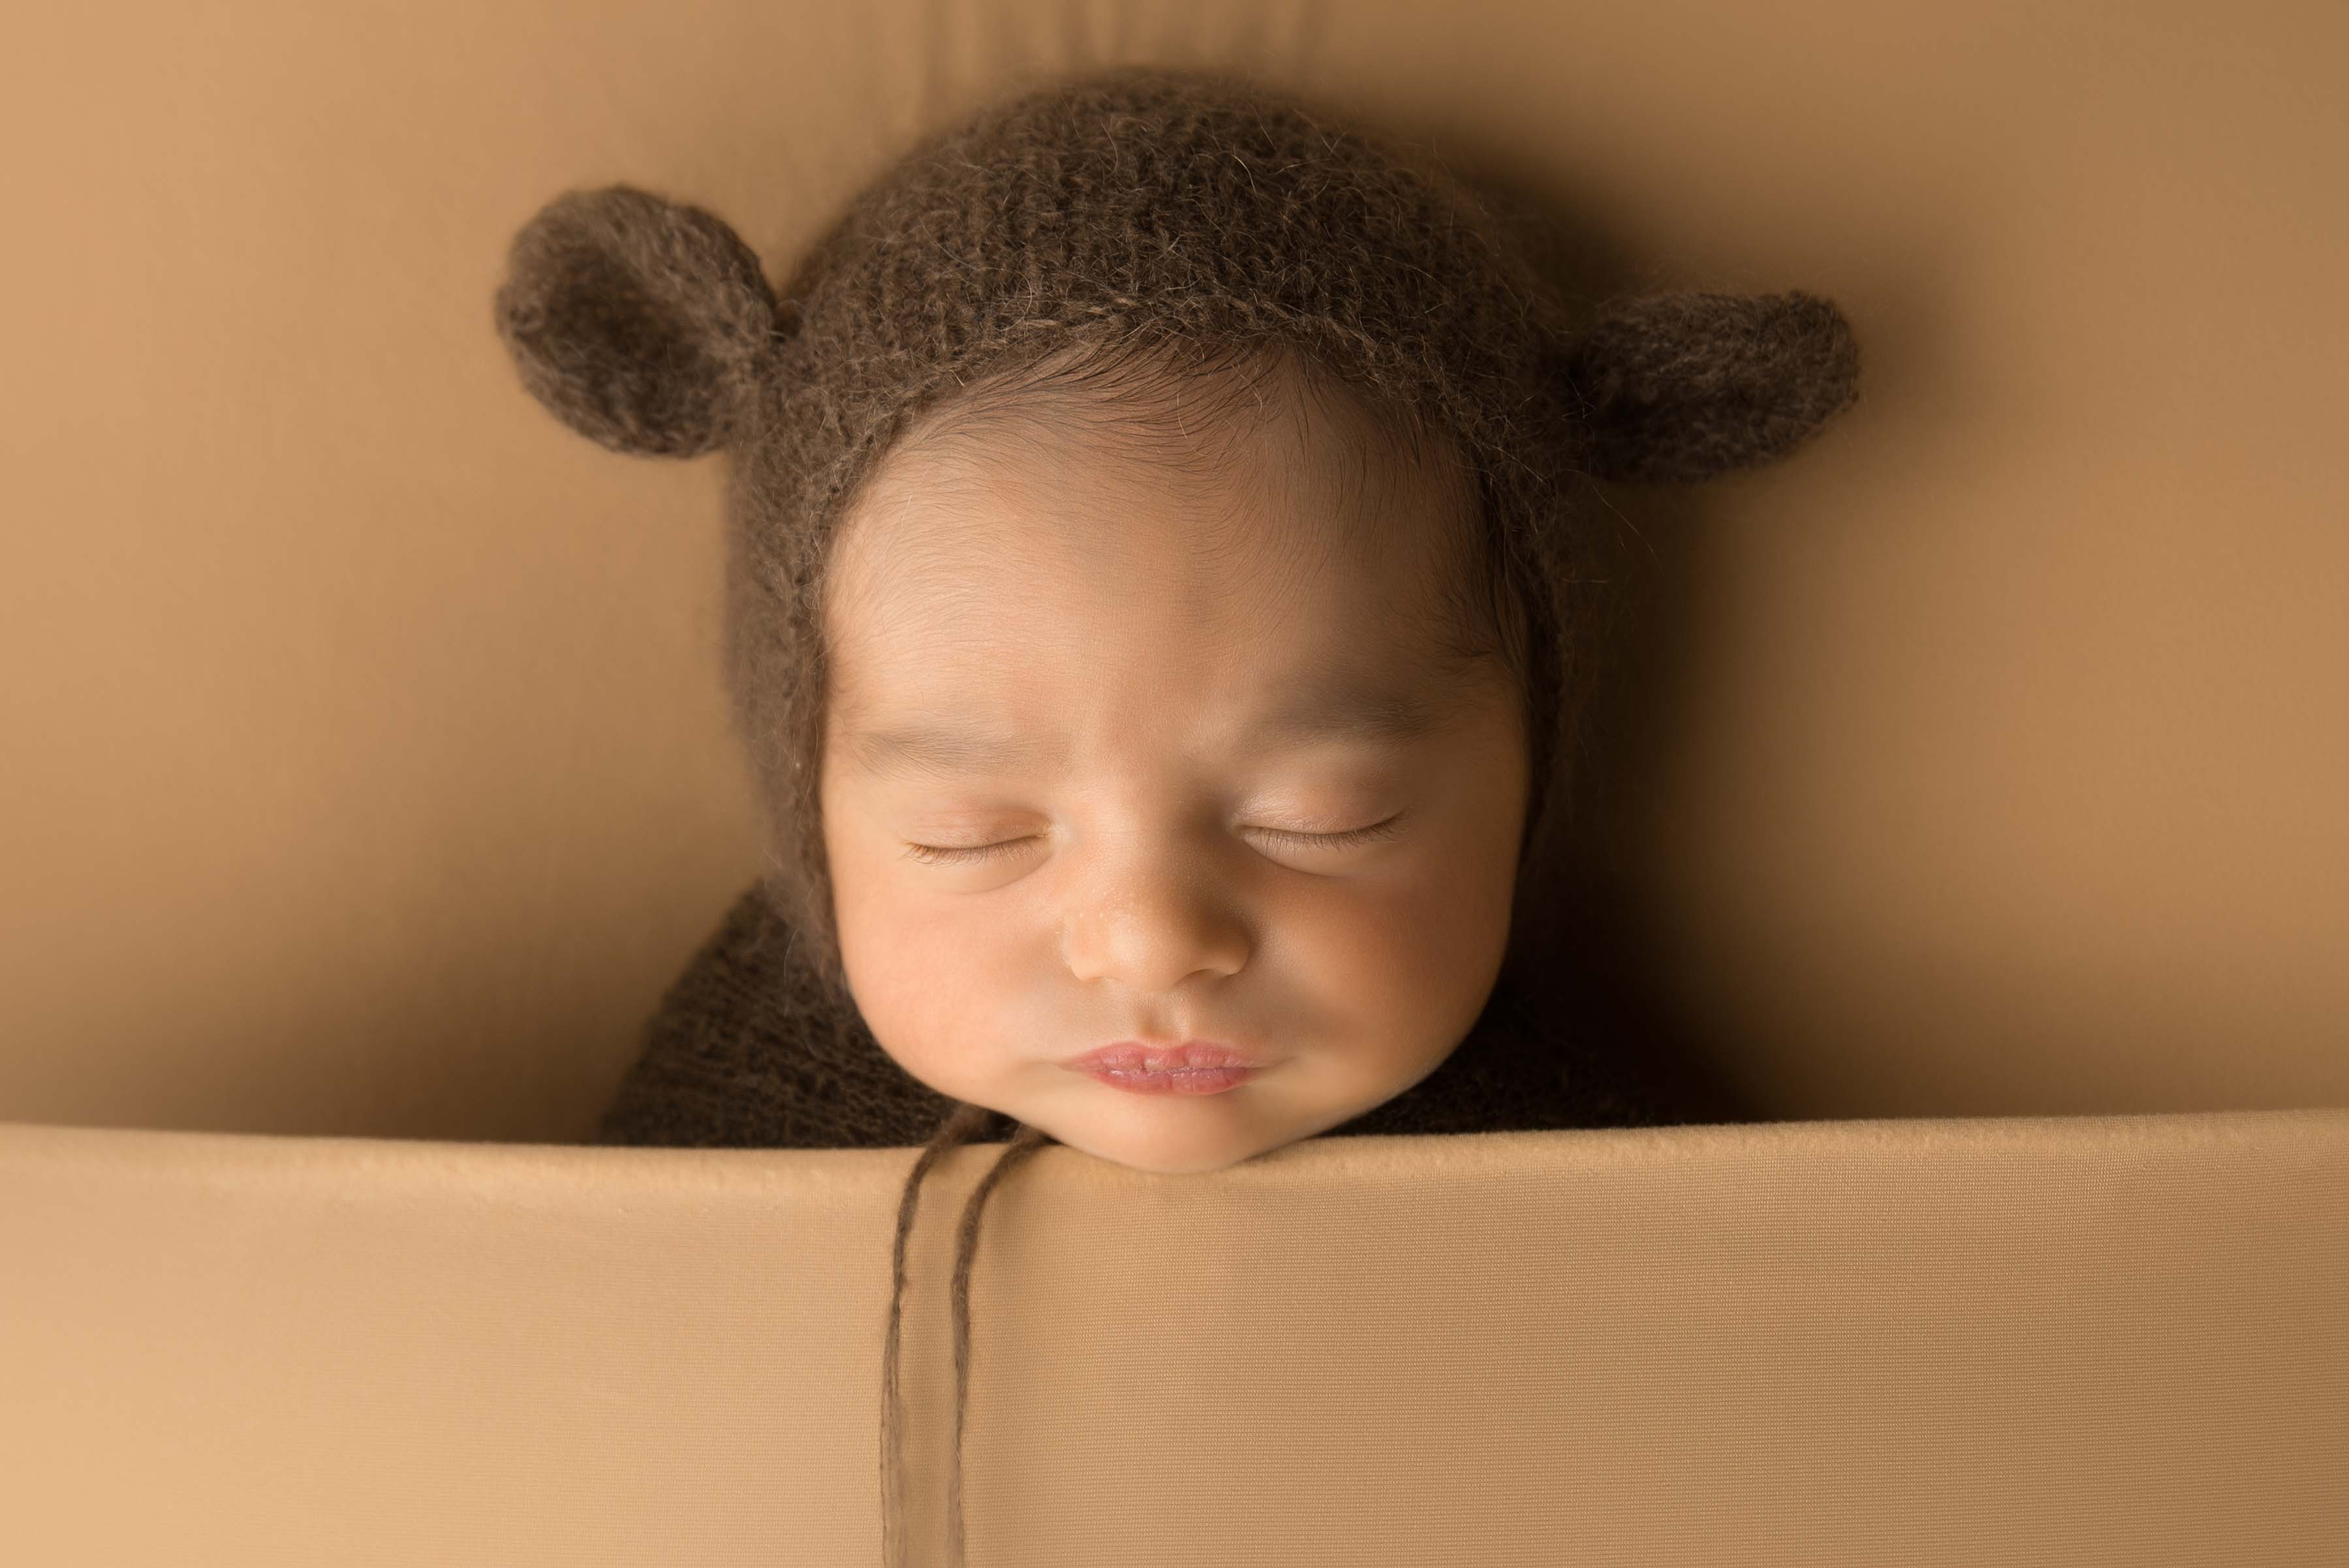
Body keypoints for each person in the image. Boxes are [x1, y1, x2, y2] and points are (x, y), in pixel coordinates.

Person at [493, 63, 1861, 1568]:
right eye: (976, 831)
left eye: (1322, 814)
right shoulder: (717, 1151)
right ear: (812, 814)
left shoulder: (1606, 1211)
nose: (1153, 933)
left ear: (1527, 773)